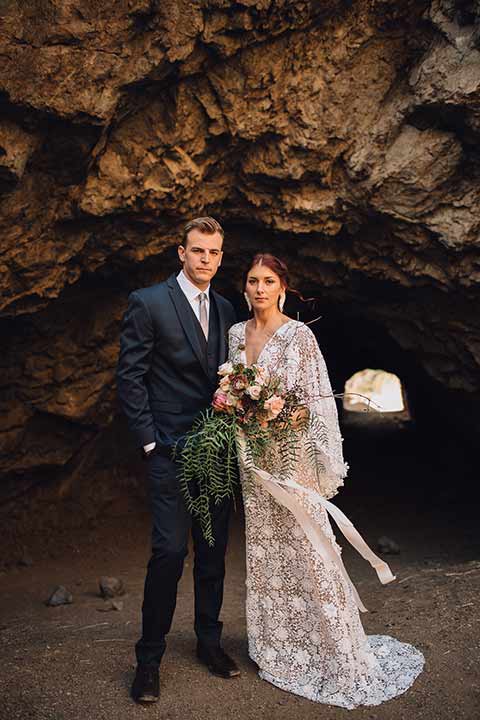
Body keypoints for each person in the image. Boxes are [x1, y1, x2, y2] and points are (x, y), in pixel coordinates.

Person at [228, 253, 424, 709]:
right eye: (253, 281)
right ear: (244, 287)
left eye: (268, 281)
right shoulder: (236, 335)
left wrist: (289, 423)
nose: (259, 289)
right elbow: (234, 391)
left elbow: (316, 405)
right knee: (266, 552)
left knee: (309, 547)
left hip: (290, 459)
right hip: (252, 459)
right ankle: (279, 644)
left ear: (283, 287)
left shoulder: (299, 336)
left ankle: (336, 650)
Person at [116, 217, 238, 704]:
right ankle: (148, 662)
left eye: (214, 252)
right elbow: (131, 376)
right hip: (168, 449)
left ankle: (210, 643)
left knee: (213, 553)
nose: (206, 259)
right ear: (180, 253)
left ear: (220, 257)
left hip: (218, 451)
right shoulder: (148, 302)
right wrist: (149, 442)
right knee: (168, 553)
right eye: (198, 250)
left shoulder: (228, 309)